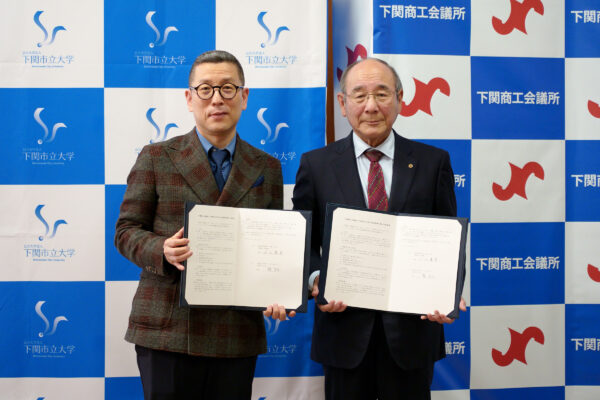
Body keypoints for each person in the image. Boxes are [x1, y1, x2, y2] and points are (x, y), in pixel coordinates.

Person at [115, 50, 293, 400]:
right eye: (205, 89)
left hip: (235, 331)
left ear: (244, 98)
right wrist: (161, 249)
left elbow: (275, 242)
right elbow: (125, 231)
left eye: (228, 89)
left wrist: (279, 291)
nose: (216, 99)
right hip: (167, 329)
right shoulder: (156, 157)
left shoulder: (267, 167)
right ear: (189, 98)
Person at [292, 57, 466, 400]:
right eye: (359, 95)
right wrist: (316, 281)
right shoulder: (317, 164)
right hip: (342, 332)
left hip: (413, 333)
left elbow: (446, 239)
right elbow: (302, 239)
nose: (371, 106)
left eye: (382, 94)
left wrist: (445, 291)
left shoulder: (433, 163)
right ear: (343, 105)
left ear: (400, 99)